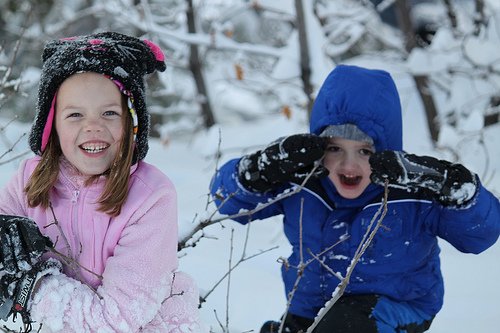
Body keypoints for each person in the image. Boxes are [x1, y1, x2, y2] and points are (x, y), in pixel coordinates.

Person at [209, 65, 500, 333]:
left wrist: (452, 186)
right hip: (311, 312)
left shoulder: (411, 193)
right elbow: (228, 201)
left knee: (342, 323)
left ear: (385, 151)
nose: (348, 166)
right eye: (335, 148)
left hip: (396, 310)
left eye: (365, 151)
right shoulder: (305, 182)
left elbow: (480, 234)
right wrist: (258, 170)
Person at [0, 32, 203, 332]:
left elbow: (115, 320)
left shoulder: (151, 198)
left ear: (131, 121)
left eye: (109, 113)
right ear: (51, 125)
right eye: (75, 115)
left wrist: (30, 288)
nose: (92, 126)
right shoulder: (29, 181)